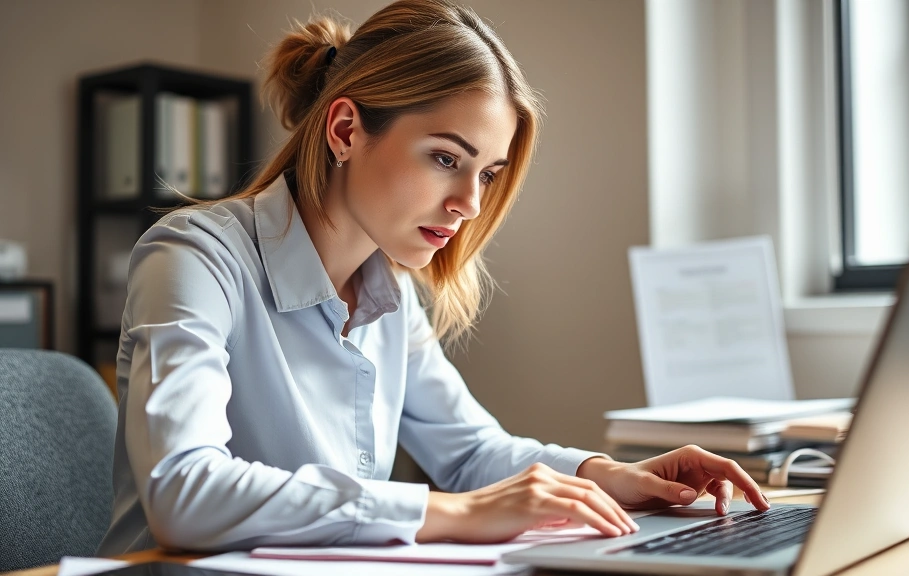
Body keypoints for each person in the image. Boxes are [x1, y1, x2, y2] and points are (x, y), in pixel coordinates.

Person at [97, 0, 770, 554]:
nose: (470, 205)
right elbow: (184, 492)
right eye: (446, 158)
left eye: (487, 174)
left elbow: (473, 451)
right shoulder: (193, 257)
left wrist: (605, 477)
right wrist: (449, 513)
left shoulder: (388, 292)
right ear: (344, 129)